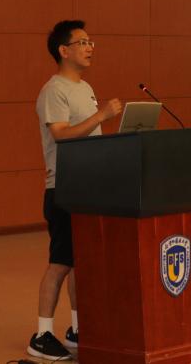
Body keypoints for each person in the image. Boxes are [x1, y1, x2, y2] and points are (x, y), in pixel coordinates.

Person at [27, 20, 123, 362]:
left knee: (80, 263)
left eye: (90, 41)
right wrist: (101, 116)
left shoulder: (85, 87)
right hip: (63, 188)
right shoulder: (54, 90)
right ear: (63, 50)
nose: (90, 47)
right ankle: (41, 335)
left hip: (88, 187)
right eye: (82, 42)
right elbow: (61, 134)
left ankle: (78, 329)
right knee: (60, 263)